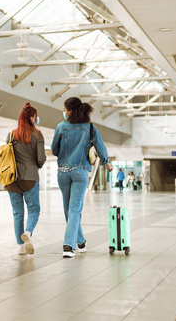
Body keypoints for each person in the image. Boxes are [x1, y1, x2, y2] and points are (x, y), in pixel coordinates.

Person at [52, 97, 113, 258]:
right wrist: (107, 163)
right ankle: (76, 243)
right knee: (74, 209)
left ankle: (71, 245)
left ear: (70, 111)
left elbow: (54, 150)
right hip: (80, 172)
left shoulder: (61, 127)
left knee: (69, 210)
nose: (64, 112)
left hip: (63, 172)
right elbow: (100, 147)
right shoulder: (90, 128)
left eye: (65, 109)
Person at [6, 102, 46, 255]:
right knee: (34, 209)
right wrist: (35, 166)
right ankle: (28, 233)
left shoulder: (11, 135)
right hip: (30, 178)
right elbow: (41, 159)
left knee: (17, 212)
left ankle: (20, 246)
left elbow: (8, 156)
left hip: (12, 179)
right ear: (31, 118)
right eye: (35, 117)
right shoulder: (37, 134)